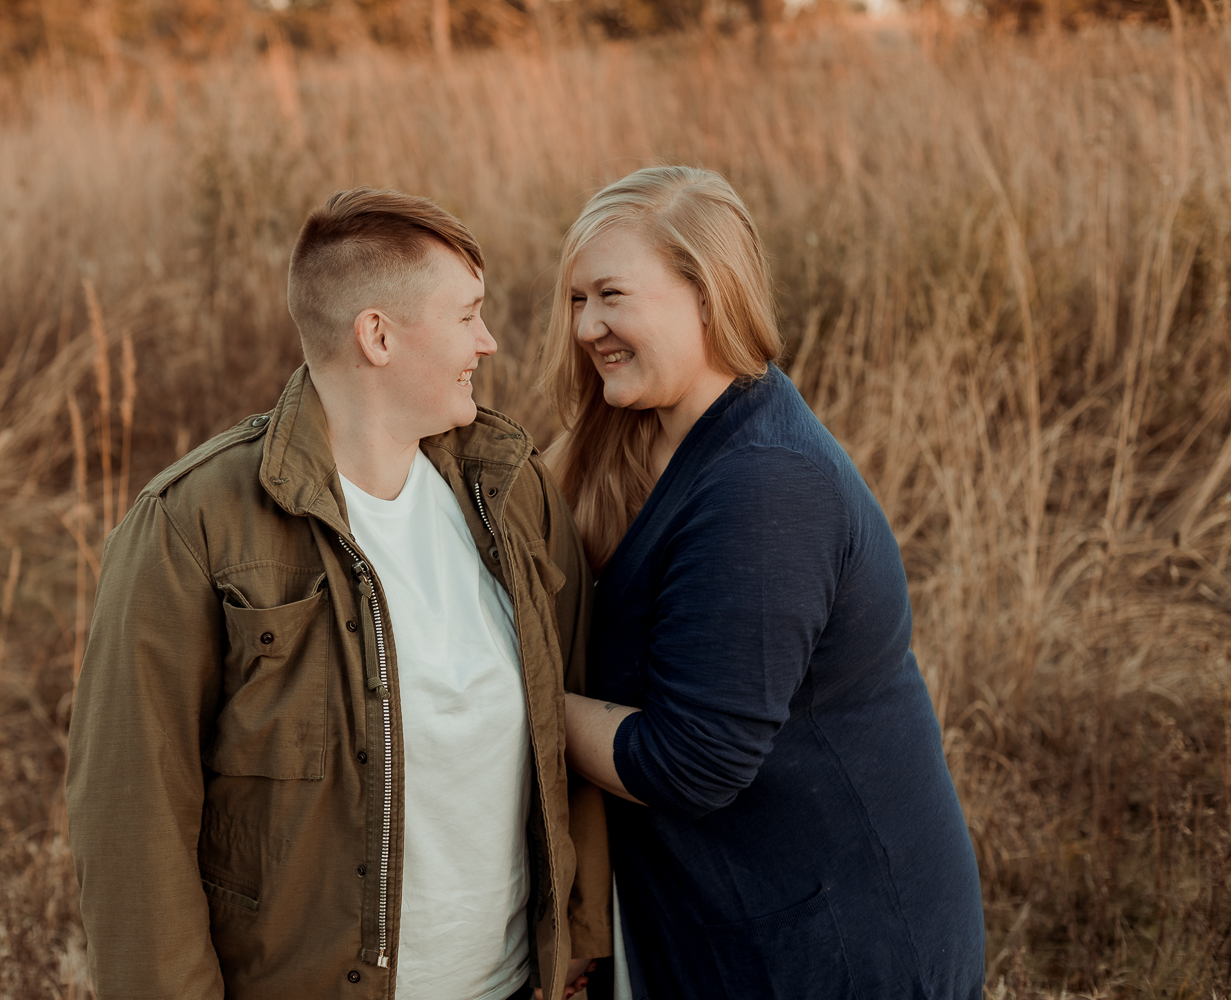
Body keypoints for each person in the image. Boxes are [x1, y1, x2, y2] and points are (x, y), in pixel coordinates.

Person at [66, 188, 610, 1000]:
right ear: (378, 335)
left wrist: (580, 934)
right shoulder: (191, 527)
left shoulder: (511, 491)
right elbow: (131, 822)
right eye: (467, 316)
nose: (489, 342)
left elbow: (568, 712)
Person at [543, 166, 986, 1000]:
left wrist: (511, 695)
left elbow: (692, 762)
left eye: (611, 295)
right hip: (732, 914)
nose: (587, 326)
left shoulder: (767, 485)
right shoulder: (649, 439)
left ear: (707, 295)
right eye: (576, 300)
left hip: (838, 943)